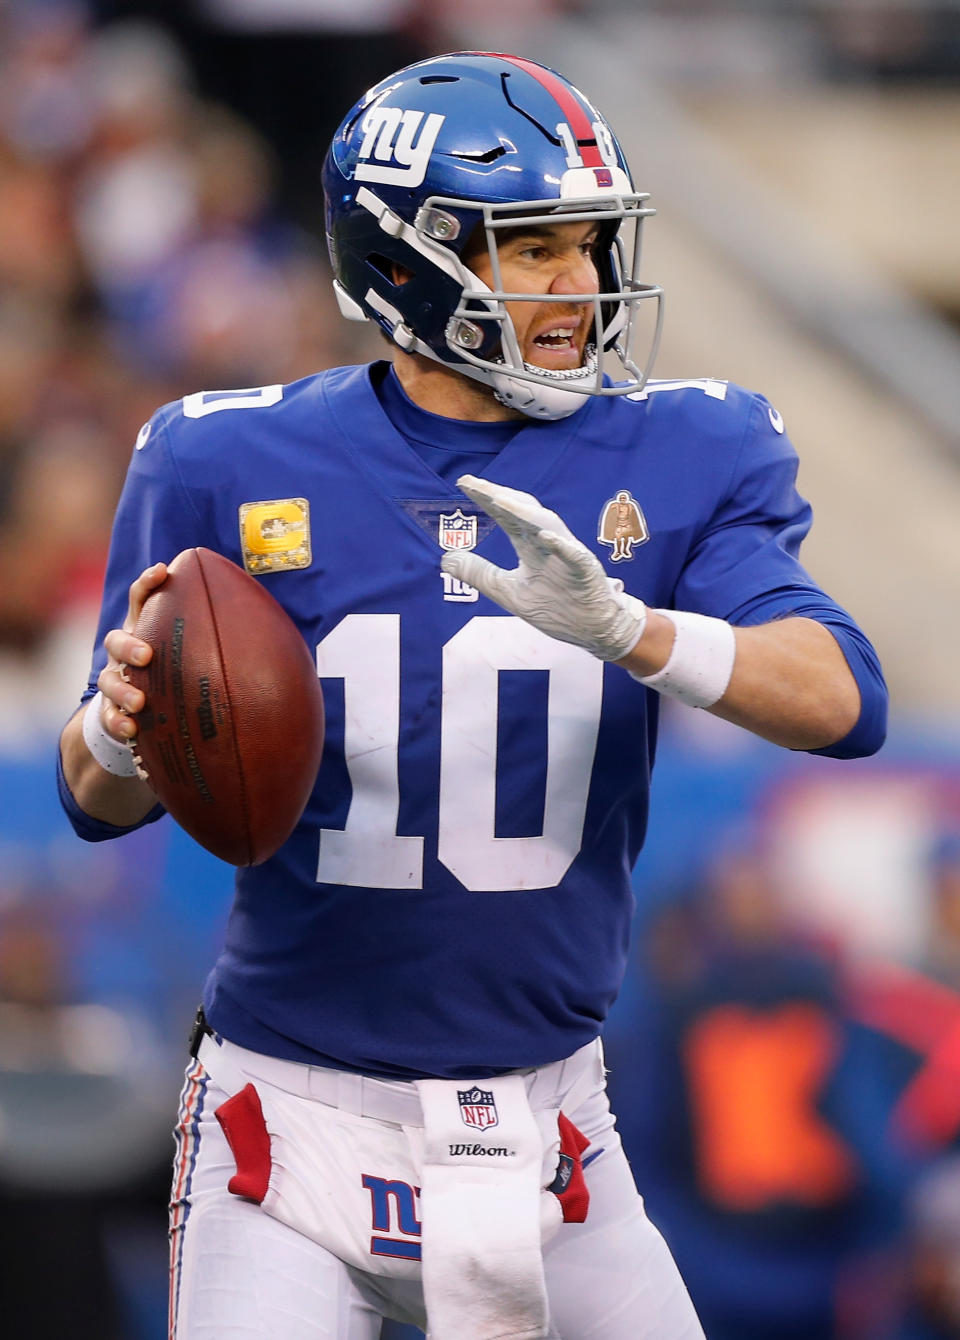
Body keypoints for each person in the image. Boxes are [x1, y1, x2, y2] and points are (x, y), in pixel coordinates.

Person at [57, 51, 887, 1340]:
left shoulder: (686, 447)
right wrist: (125, 736)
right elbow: (90, 798)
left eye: (591, 244)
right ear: (406, 262)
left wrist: (635, 629)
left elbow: (846, 701)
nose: (581, 287)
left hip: (556, 1128)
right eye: (533, 247)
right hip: (287, 1129)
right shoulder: (222, 454)